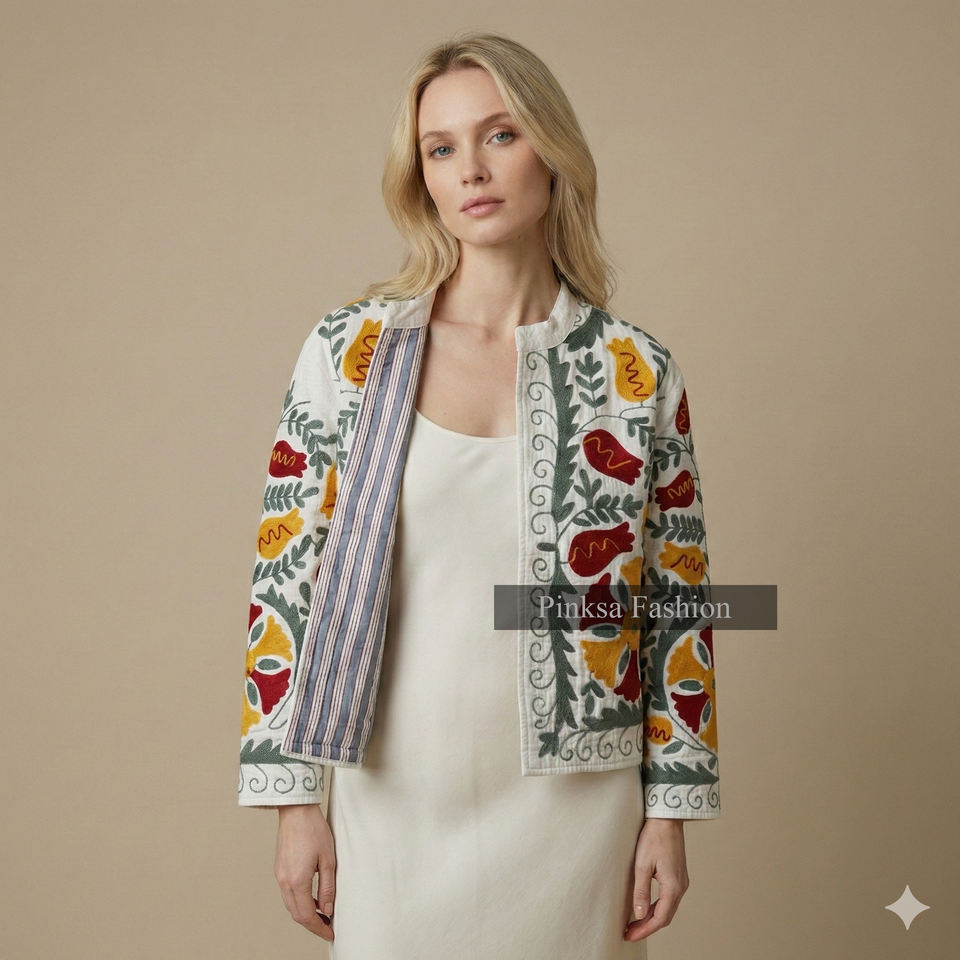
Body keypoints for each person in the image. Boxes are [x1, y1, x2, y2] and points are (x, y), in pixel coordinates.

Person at [238, 30, 720, 959]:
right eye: (441, 148)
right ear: (420, 176)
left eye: (500, 135)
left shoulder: (635, 372)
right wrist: (295, 800)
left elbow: (679, 602)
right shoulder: (351, 355)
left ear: (551, 148)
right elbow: (285, 578)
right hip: (392, 782)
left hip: (577, 804)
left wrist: (670, 812)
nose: (471, 169)